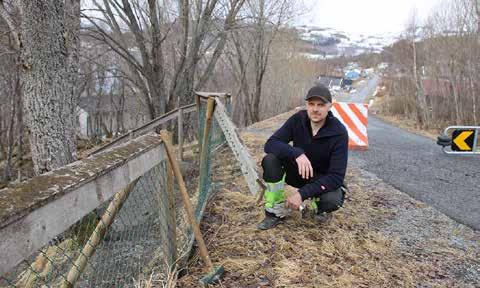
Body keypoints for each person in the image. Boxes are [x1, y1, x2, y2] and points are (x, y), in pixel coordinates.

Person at [257, 84, 349, 230]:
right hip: (296, 172)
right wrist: (297, 153)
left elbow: (336, 176)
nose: (315, 109)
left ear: (329, 106)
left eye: (321, 105)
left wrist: (302, 194)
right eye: (311, 104)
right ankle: (275, 210)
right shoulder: (297, 120)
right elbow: (271, 144)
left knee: (332, 200)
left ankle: (313, 207)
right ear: (306, 104)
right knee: (270, 160)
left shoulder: (339, 133)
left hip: (319, 178)